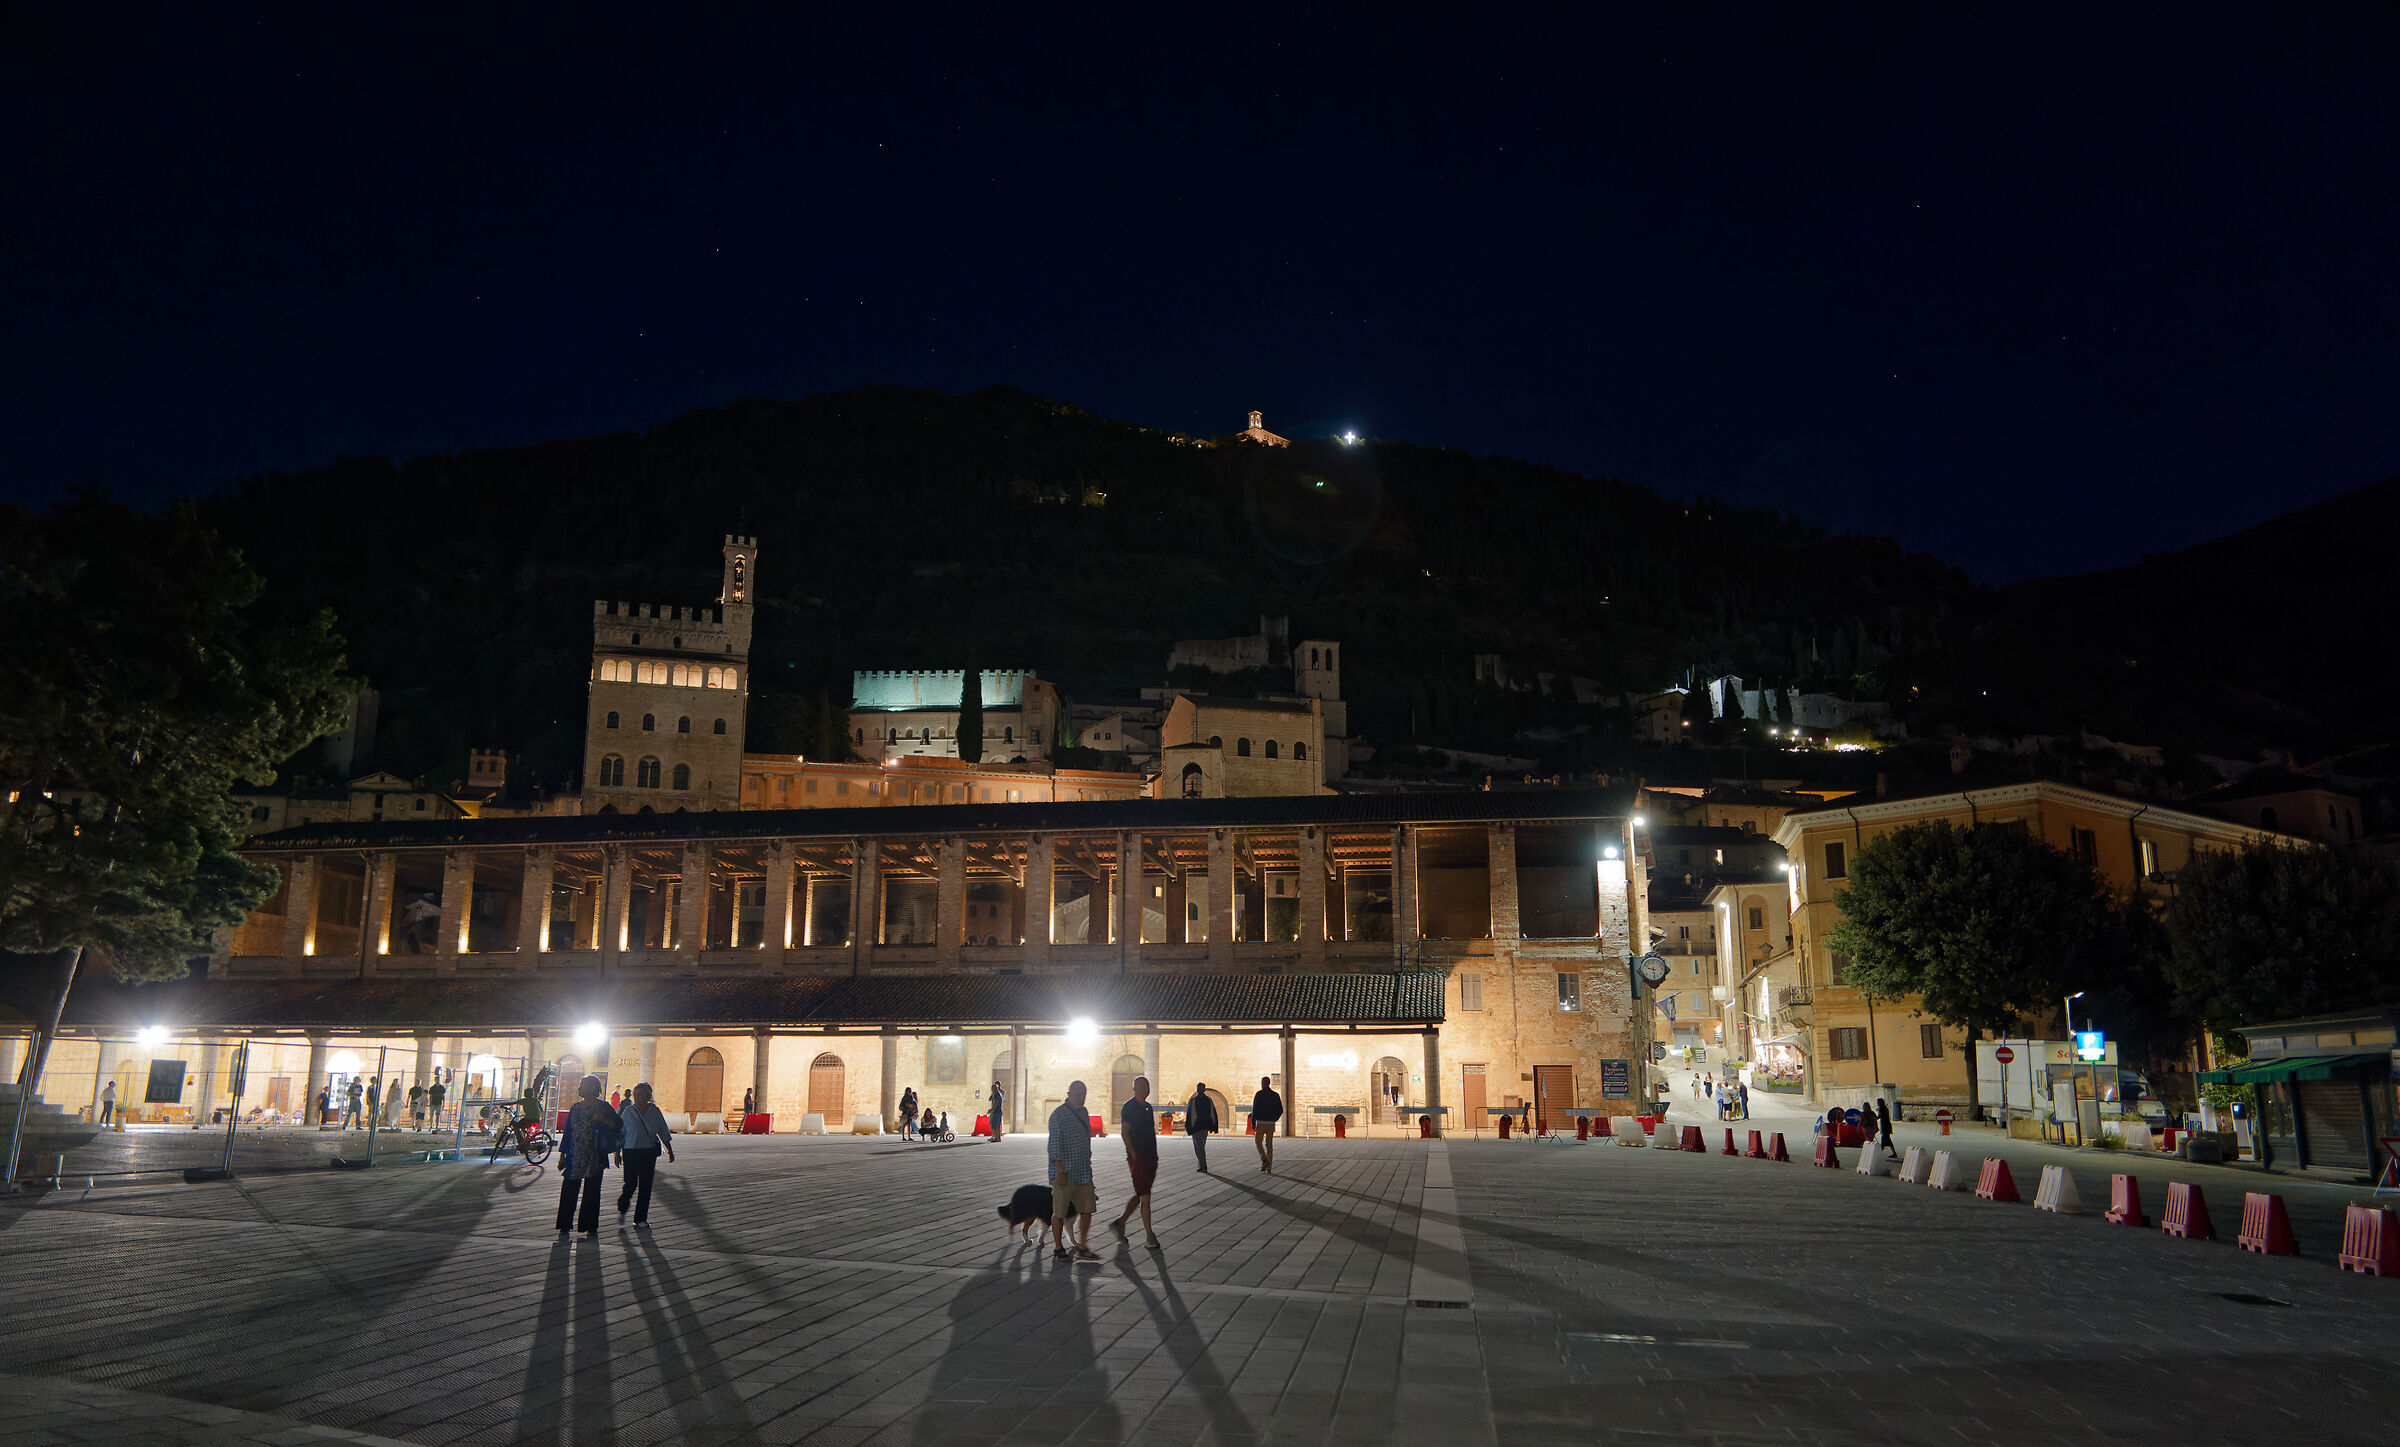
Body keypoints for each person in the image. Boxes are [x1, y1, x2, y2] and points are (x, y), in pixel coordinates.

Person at [556, 1074, 624, 1238]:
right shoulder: (575, 1108)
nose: (581, 1088)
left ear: (594, 1088)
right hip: (575, 1154)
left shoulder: (604, 1107)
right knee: (569, 1190)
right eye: (581, 1085)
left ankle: (590, 1225)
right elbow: (568, 1132)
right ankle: (565, 1224)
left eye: (584, 1085)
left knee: (592, 1192)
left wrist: (603, 1120)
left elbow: (618, 1125)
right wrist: (562, 1155)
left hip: (595, 1154)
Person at [1046, 1080, 1100, 1261]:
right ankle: (1058, 1248)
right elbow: (1054, 1145)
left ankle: (1083, 1246)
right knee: (1059, 1212)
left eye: (1084, 1094)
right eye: (1078, 1094)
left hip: (1083, 1171)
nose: (1081, 1098)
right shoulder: (1058, 1116)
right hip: (1065, 1172)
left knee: (1087, 1209)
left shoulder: (1084, 1112)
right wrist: (1059, 1171)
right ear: (1069, 1094)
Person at [1110, 1075, 1162, 1251]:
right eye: (1142, 1086)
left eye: (1147, 1086)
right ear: (1135, 1089)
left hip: (1150, 1158)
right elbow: (1125, 1132)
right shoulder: (1129, 1107)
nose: (1146, 1089)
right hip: (1138, 1158)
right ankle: (1149, 1236)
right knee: (1145, 1197)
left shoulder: (1148, 1108)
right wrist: (1133, 1154)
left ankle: (1120, 1223)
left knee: (1142, 1194)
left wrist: (1154, 1155)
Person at [616, 1081, 675, 1227]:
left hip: (648, 1151)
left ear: (648, 1096)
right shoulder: (629, 1112)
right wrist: (617, 1152)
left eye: (641, 1094)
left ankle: (640, 1218)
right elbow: (620, 1133)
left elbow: (663, 1130)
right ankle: (622, 1209)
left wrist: (670, 1150)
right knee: (630, 1183)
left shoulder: (654, 1111)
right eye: (636, 1095)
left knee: (646, 1185)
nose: (638, 1097)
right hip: (630, 1151)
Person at [1249, 1076, 1283, 1173]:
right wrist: (1274, 1119)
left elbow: (1255, 1109)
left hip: (1261, 1122)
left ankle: (1264, 1159)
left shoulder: (1259, 1094)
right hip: (1271, 1123)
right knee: (1269, 1145)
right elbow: (1280, 1110)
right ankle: (1269, 1167)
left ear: (1263, 1083)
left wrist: (1253, 1121)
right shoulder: (1275, 1095)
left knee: (1258, 1142)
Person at [1185, 1083, 1218, 1174]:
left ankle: (1203, 1165)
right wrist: (1213, 1126)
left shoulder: (1193, 1100)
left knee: (1198, 1146)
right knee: (1201, 1145)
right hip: (1205, 1126)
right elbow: (1213, 1113)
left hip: (1196, 1126)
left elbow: (1189, 1114)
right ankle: (1201, 1165)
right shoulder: (1208, 1100)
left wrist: (1188, 1127)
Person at [1875, 1096, 1900, 1161]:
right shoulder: (1885, 1108)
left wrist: (1872, 1118)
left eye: (1878, 1102)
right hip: (1887, 1125)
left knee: (1884, 1141)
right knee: (1888, 1141)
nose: (1877, 1104)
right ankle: (1894, 1153)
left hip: (1885, 1126)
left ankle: (1878, 1154)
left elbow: (1879, 1117)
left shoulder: (1881, 1109)